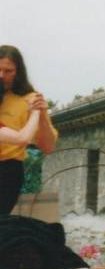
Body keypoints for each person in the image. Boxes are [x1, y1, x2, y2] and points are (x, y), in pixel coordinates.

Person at [0, 46, 58, 215]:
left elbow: (47, 147)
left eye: (8, 71)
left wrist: (38, 114)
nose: (1, 76)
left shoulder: (30, 99)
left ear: (18, 72)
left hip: (6, 170)